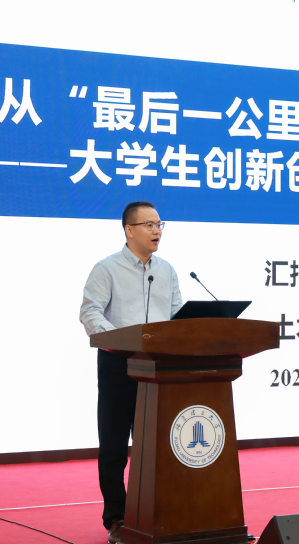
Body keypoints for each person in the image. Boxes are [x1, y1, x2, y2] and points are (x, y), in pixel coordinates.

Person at [79, 201, 183, 543]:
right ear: (129, 230)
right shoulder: (106, 268)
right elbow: (90, 313)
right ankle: (117, 518)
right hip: (118, 364)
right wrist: (121, 340)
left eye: (159, 224)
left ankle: (156, 512)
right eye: (149, 225)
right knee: (114, 446)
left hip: (158, 367)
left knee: (155, 446)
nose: (157, 231)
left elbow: (177, 314)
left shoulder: (166, 270)